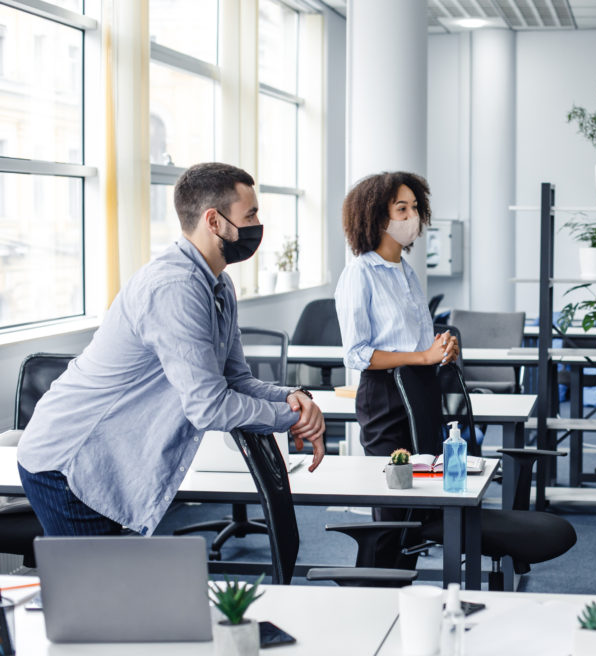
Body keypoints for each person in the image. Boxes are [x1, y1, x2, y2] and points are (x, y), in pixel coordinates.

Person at [17, 162, 326, 537]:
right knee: (97, 593)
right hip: (70, 462)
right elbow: (209, 405)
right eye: (251, 214)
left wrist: (294, 398)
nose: (258, 225)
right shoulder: (175, 288)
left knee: (115, 588)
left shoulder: (218, 286)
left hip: (108, 461)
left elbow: (236, 380)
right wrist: (290, 417)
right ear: (214, 221)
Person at [336, 171, 458, 566]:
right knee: (392, 508)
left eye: (415, 207)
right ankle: (373, 597)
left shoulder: (406, 272)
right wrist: (421, 356)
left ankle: (401, 595)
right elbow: (357, 354)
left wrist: (439, 350)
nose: (412, 216)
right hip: (385, 398)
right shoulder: (360, 272)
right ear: (375, 216)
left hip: (420, 391)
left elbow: (416, 344)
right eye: (401, 208)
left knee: (416, 507)